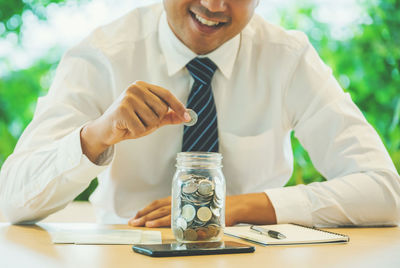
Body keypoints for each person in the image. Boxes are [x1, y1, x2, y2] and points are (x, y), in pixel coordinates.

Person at [0, 0, 399, 228]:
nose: (213, 6)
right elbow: (10, 199)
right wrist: (94, 136)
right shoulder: (102, 55)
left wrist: (233, 206)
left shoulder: (288, 59)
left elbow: (385, 192)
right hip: (122, 253)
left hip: (252, 255)